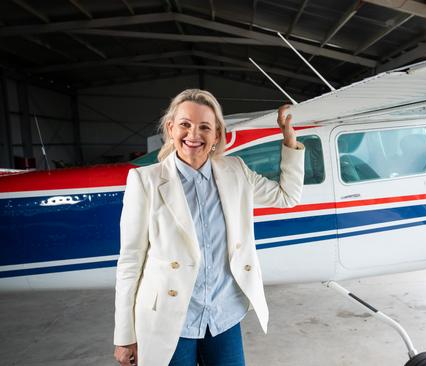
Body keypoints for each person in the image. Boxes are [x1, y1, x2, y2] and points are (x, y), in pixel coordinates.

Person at [113, 89, 305, 366]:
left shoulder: (235, 171)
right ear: (170, 129)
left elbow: (288, 196)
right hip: (169, 319)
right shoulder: (145, 181)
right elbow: (130, 261)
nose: (194, 134)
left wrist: (289, 141)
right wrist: (124, 335)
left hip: (223, 315)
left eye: (205, 127)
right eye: (185, 124)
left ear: (217, 135)